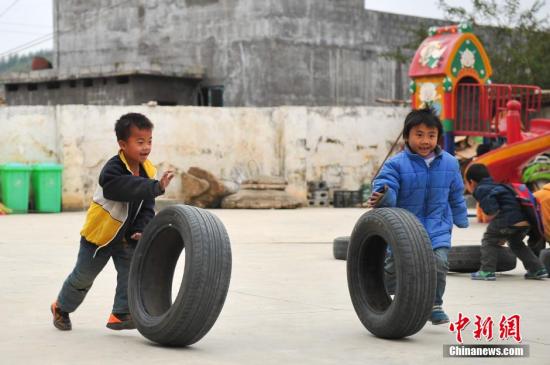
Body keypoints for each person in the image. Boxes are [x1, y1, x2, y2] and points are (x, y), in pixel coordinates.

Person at [50, 113, 175, 331]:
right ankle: (61, 307)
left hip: (126, 237)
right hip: (100, 237)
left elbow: (147, 205)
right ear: (122, 144)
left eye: (149, 141)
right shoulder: (113, 169)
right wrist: (154, 187)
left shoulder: (148, 171)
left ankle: (121, 314)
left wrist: (140, 228)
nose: (146, 147)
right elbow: (120, 188)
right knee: (83, 278)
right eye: (140, 142)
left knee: (130, 273)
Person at [367, 107, 469, 325]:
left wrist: (460, 217)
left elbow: (455, 193)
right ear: (407, 136)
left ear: (438, 138)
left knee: (439, 263)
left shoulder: (450, 163)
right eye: (419, 134)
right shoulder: (396, 164)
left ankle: (434, 304)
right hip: (405, 228)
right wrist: (384, 196)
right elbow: (387, 185)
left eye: (431, 135)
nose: (425, 141)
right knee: (396, 265)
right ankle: (384, 293)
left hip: (437, 225)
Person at [465, 163, 548, 281]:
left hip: (508, 219)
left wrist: (498, 229)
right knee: (516, 243)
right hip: (525, 221)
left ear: (472, 182)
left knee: (489, 239)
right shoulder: (501, 186)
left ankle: (487, 271)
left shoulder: (481, 189)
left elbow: (491, 211)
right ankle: (537, 269)